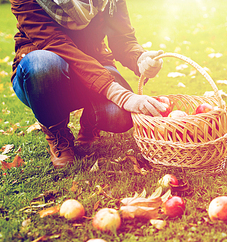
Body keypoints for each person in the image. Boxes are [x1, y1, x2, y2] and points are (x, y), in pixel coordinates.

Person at [10, 0, 166, 168]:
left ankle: (91, 121)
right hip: (42, 76)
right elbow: (56, 44)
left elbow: (123, 38)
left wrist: (139, 59)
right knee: (42, 64)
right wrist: (120, 95)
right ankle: (57, 134)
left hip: (95, 64)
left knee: (119, 116)